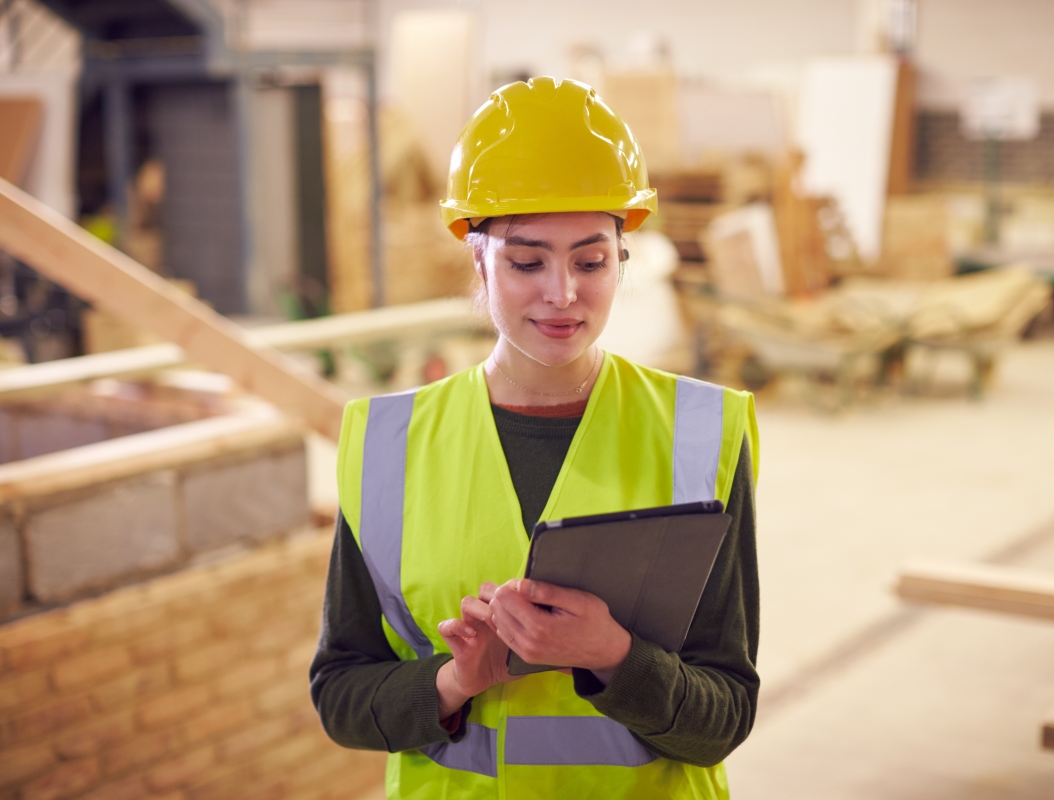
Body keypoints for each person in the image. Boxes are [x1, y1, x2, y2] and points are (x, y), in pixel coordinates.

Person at [310, 76, 760, 799]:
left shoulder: (700, 433)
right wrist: (457, 679)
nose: (562, 293)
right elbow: (341, 695)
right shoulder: (387, 444)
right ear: (478, 259)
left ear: (622, 260)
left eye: (590, 260)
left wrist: (613, 655)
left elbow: (726, 712)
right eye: (526, 261)